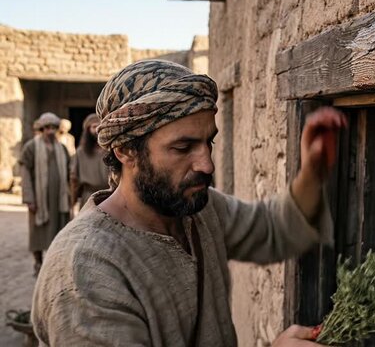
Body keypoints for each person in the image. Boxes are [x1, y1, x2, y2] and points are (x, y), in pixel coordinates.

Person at [31, 60, 346, 346]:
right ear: (125, 151)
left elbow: (276, 229)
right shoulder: (85, 272)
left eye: (208, 141)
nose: (207, 164)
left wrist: (313, 170)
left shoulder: (200, 210)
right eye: (183, 147)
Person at [19, 112, 70, 275]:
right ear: (41, 128)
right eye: (47, 127)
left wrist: (70, 194)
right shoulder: (31, 147)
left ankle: (54, 262)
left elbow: (69, 172)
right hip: (39, 198)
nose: (50, 131)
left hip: (58, 197)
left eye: (53, 127)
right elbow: (25, 173)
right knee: (38, 230)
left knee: (59, 227)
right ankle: (38, 262)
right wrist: (29, 198)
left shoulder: (61, 148)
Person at [70, 113, 110, 208]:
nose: (97, 130)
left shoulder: (111, 150)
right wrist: (73, 199)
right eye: (94, 126)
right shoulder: (81, 152)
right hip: (89, 197)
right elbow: (74, 178)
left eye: (99, 126)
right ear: (87, 130)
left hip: (110, 196)